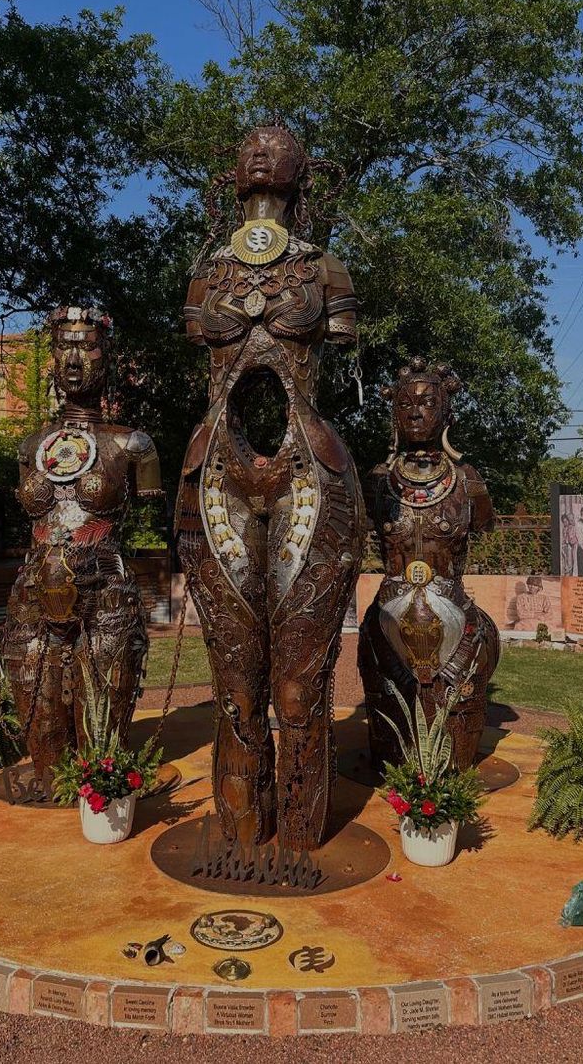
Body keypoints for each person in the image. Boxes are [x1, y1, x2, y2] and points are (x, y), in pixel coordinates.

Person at [176, 125, 365, 851]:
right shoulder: (209, 275)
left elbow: (342, 348)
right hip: (218, 470)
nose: (259, 148)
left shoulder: (326, 269)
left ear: (300, 170)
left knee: (297, 677)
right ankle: (241, 820)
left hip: (308, 473)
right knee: (236, 676)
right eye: (248, 142)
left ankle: (301, 829)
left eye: (276, 143)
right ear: (233, 166)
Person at [0, 306, 163, 780]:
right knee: (43, 738)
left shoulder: (134, 444)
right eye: (62, 346)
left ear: (107, 357)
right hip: (33, 594)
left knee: (100, 744)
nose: (73, 358)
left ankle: (103, 800)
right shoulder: (32, 446)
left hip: (105, 590)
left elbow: (157, 515)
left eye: (86, 346)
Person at [357, 360, 501, 773]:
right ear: (393, 414)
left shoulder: (468, 481)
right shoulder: (377, 482)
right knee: (389, 738)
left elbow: (485, 524)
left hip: (453, 616)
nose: (415, 412)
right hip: (389, 618)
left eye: (427, 403)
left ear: (446, 413)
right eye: (404, 404)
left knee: (458, 730)